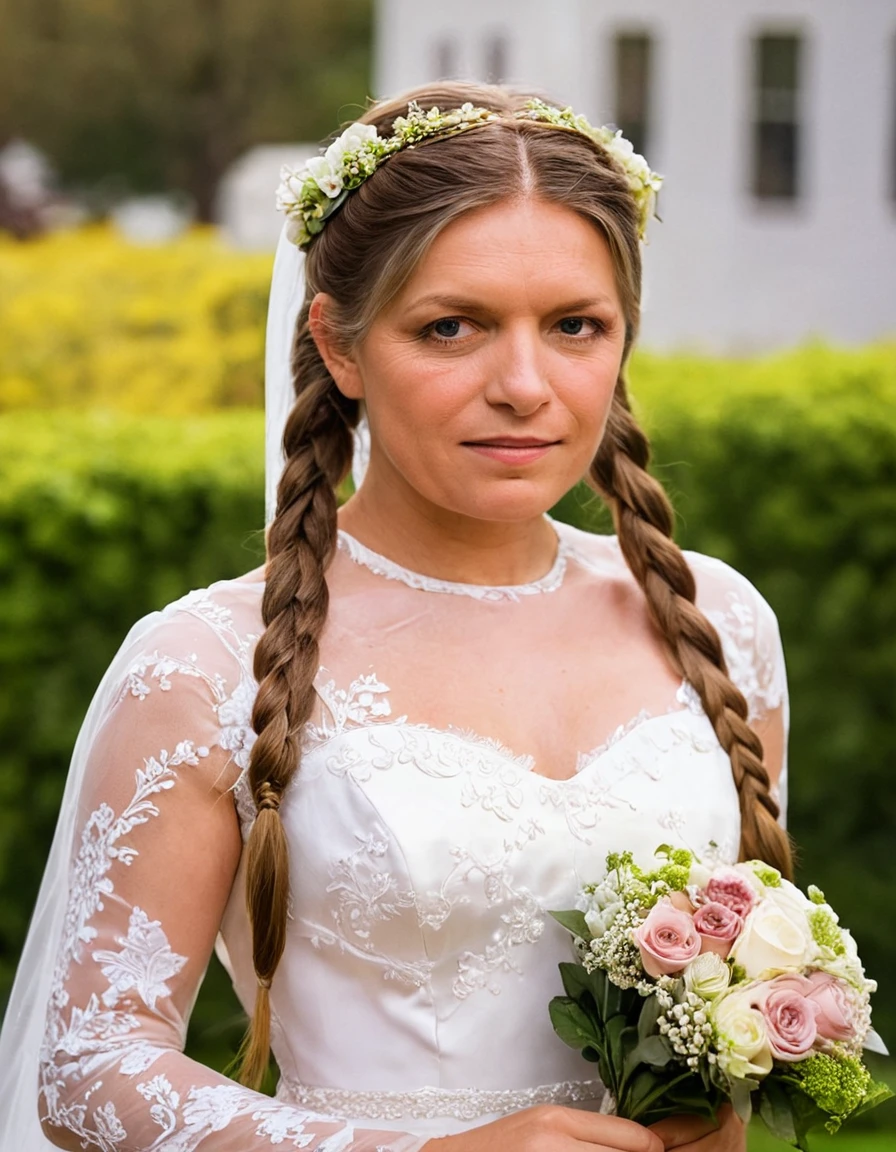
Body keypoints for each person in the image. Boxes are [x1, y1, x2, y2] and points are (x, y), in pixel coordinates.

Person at [0, 82, 791, 1152]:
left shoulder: (716, 621)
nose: (522, 383)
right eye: (450, 327)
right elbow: (89, 1062)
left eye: (573, 325)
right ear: (337, 344)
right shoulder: (202, 666)